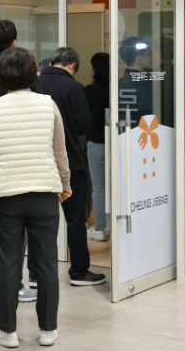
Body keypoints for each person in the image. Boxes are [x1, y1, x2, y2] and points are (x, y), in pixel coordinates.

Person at [0, 47, 72, 348]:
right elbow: (59, 150)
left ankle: (8, 332)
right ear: (32, 73)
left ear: (0, 75)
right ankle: (48, 330)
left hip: (5, 194)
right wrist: (65, 182)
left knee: (7, 263)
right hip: (44, 191)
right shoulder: (48, 104)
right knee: (47, 264)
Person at [0, 19, 38, 301]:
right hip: (20, 162)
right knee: (16, 232)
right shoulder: (25, 76)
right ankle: (14, 283)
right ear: (14, 42)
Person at [38, 48, 104, 286]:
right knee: (75, 219)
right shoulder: (73, 87)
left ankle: (35, 272)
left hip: (39, 162)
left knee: (37, 221)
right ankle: (79, 272)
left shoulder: (34, 83)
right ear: (73, 66)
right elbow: (84, 124)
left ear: (52, 62)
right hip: (69, 161)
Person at [84, 53, 109, 242]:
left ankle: (99, 228)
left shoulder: (90, 90)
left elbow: (84, 117)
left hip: (97, 144)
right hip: (117, 142)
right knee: (117, 186)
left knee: (99, 187)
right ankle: (113, 225)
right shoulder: (118, 87)